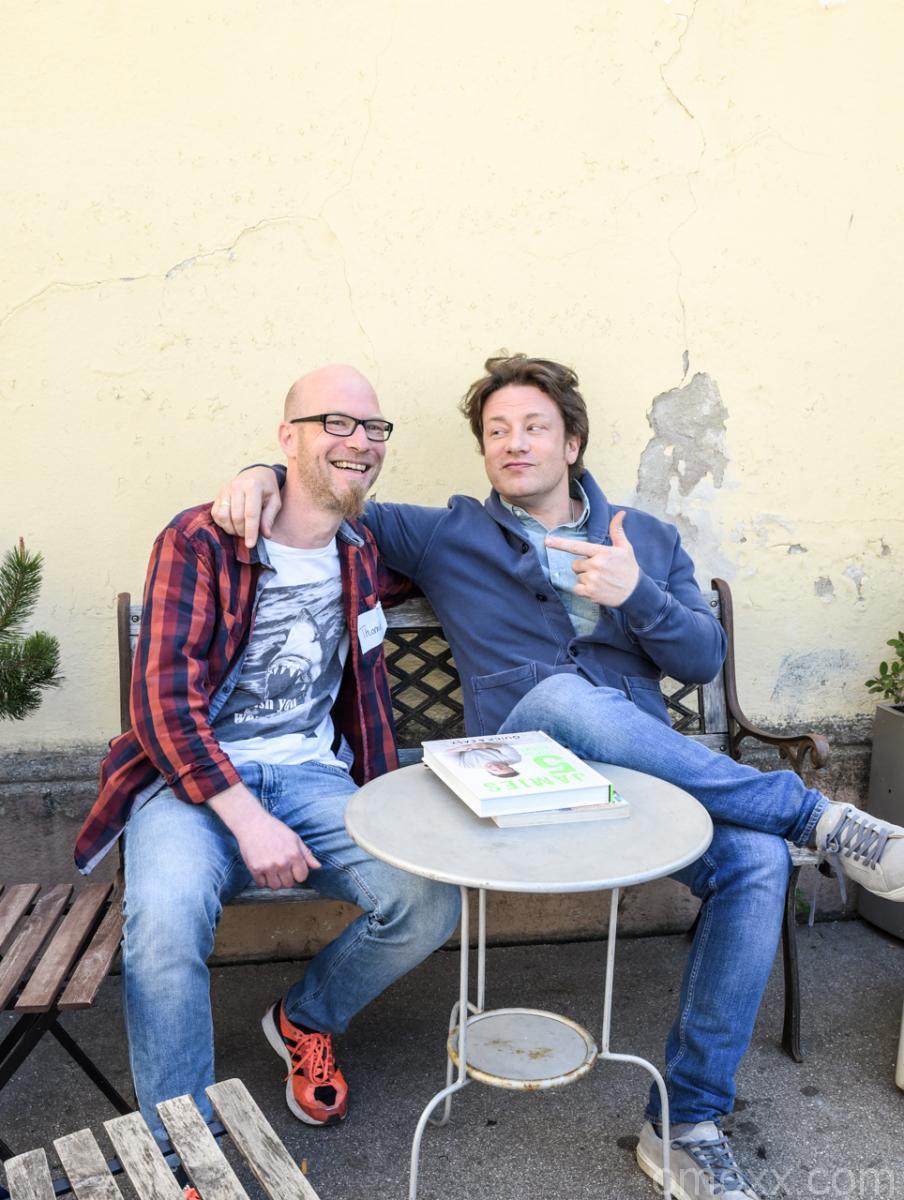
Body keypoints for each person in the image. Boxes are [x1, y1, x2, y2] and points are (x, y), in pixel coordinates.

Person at [215, 354, 904, 1200]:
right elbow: (326, 491)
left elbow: (700, 657)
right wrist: (260, 471)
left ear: (571, 443)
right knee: (556, 697)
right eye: (496, 431)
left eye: (534, 427)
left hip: (642, 782)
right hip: (519, 780)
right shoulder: (448, 533)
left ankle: (686, 1124)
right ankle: (820, 819)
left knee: (755, 860)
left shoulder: (643, 539)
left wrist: (637, 595)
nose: (514, 443)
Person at [74, 366, 460, 1137]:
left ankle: (304, 1018)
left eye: (373, 427)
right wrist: (249, 821)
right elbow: (163, 702)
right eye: (335, 423)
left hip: (313, 778)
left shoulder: (361, 549)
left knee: (428, 901)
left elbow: (462, 553)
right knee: (166, 923)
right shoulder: (202, 540)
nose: (359, 441)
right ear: (287, 437)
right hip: (187, 784)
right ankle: (183, 1152)